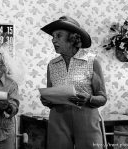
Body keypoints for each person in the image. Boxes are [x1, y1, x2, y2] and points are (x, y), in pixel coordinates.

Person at [40, 16, 107, 149]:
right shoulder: (52, 65)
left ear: (73, 39)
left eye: (58, 36)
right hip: (58, 119)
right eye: (53, 36)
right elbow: (49, 94)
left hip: (86, 119)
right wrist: (46, 100)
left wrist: (89, 99)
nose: (53, 40)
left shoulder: (92, 62)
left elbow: (103, 98)